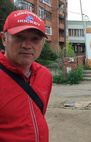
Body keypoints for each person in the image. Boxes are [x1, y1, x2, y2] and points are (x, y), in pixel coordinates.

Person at [0, 10, 52, 141]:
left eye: (35, 39)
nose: (27, 45)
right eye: (19, 37)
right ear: (4, 39)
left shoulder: (45, 75)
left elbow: (38, 114)